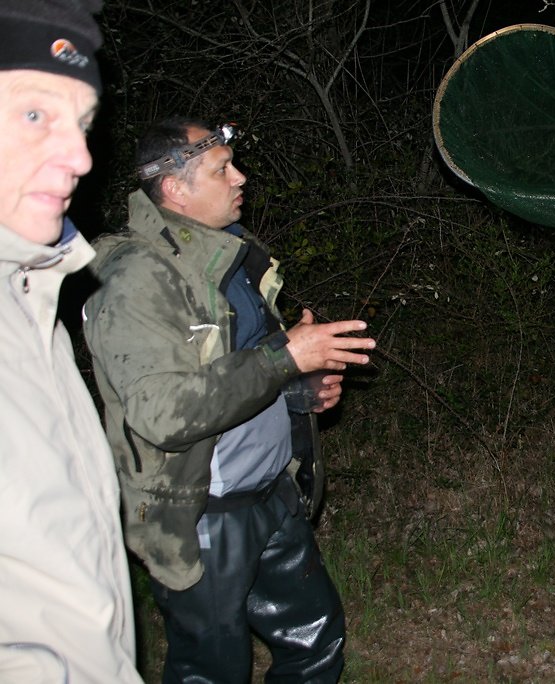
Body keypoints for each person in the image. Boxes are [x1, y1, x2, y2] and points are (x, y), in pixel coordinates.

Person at [83, 116, 376, 682]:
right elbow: (162, 413)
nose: (241, 177)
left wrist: (297, 392)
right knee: (214, 669)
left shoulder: (231, 256)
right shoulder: (137, 278)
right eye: (222, 169)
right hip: (202, 514)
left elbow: (240, 372)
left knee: (317, 637)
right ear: (175, 189)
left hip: (270, 494)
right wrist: (285, 357)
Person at [0, 1, 143, 681]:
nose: (83, 156)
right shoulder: (132, 279)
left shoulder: (32, 299)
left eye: (84, 123)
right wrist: (280, 363)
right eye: (35, 115)